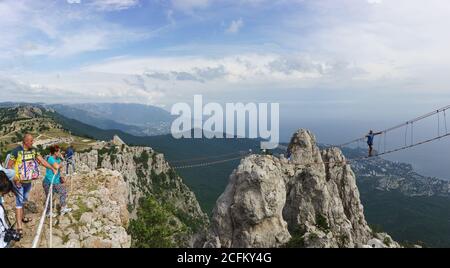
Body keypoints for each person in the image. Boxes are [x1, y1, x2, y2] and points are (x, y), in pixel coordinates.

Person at [7, 134, 57, 236]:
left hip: (28, 182)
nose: (32, 142)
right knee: (19, 202)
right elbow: (9, 166)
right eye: (30, 141)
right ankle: (19, 227)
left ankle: (22, 217)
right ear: (25, 141)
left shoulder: (33, 150)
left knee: (24, 200)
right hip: (19, 183)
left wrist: (51, 168)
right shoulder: (16, 151)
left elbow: (42, 161)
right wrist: (15, 179)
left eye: (32, 141)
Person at [43, 145, 72, 217]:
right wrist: (62, 160)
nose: (60, 152)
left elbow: (59, 168)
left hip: (54, 180)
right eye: (58, 151)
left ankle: (50, 212)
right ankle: (61, 208)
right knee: (61, 192)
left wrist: (60, 177)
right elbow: (57, 166)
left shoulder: (57, 159)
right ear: (55, 152)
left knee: (52, 196)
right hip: (49, 181)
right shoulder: (50, 158)